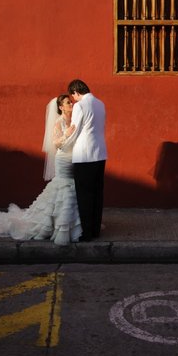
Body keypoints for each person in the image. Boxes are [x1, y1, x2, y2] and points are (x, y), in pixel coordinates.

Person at [0, 94, 82, 245]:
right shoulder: (59, 123)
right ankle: (55, 226)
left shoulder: (73, 121)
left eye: (71, 102)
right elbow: (56, 144)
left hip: (73, 158)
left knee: (72, 189)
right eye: (68, 102)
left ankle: (72, 224)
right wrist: (67, 134)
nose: (71, 104)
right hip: (62, 159)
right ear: (60, 107)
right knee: (63, 188)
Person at [65, 79, 107, 241]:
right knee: (97, 193)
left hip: (84, 154)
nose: (73, 99)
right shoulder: (100, 103)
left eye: (73, 96)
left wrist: (63, 145)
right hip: (100, 152)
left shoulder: (80, 106)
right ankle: (95, 229)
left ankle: (87, 233)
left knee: (84, 195)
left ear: (76, 92)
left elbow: (75, 130)